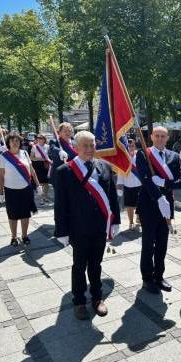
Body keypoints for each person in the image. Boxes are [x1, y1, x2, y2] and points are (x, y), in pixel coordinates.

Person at [54, 131, 121, 320]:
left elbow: (112, 196)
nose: (90, 149)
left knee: (96, 265)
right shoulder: (65, 171)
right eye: (85, 145)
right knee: (79, 266)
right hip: (78, 228)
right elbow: (60, 204)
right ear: (75, 148)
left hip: (99, 227)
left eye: (92, 145)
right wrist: (61, 231)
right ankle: (79, 301)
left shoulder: (105, 166)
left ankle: (97, 298)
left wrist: (115, 221)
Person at [136, 126, 181, 294]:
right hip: (149, 205)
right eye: (157, 135)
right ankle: (147, 278)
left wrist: (164, 182)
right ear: (151, 136)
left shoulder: (174, 156)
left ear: (168, 137)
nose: (160, 138)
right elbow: (145, 179)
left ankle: (159, 276)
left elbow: (180, 182)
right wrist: (158, 197)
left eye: (163, 136)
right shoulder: (143, 154)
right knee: (148, 244)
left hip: (167, 206)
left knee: (162, 243)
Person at [0, 132, 41, 247]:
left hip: (26, 188)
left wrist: (37, 184)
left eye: (17, 140)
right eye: (12, 141)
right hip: (11, 190)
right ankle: (13, 237)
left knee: (25, 214)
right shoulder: (3, 157)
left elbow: (32, 170)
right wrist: (0, 192)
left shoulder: (25, 153)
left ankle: (25, 235)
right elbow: (0, 177)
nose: (15, 143)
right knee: (13, 215)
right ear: (8, 143)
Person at [116, 139, 141, 230]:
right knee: (129, 205)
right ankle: (131, 222)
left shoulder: (139, 155)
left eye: (132, 146)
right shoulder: (123, 157)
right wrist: (119, 185)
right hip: (128, 184)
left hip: (139, 184)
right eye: (128, 146)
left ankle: (139, 218)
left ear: (135, 146)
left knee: (140, 204)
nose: (130, 148)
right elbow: (120, 171)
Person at [30, 134, 52, 204]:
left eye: (41, 138)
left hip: (46, 165)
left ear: (44, 139)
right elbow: (31, 157)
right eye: (38, 138)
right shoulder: (34, 147)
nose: (39, 140)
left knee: (46, 183)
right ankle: (42, 198)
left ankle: (45, 196)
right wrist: (40, 158)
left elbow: (49, 156)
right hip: (38, 165)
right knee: (41, 183)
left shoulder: (47, 147)